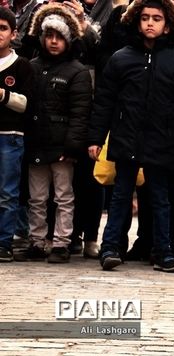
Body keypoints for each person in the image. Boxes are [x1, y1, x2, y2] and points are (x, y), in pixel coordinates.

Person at [87, 0, 174, 273]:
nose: (150, 23)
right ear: (136, 21)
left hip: (162, 139)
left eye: (156, 18)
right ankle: (110, 248)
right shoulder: (121, 58)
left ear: (167, 23)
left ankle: (163, 252)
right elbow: (104, 101)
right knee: (120, 195)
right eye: (145, 17)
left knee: (160, 198)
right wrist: (95, 138)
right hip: (126, 137)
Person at [24, 3, 92, 263]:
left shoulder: (77, 71)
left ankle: (62, 242)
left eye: (59, 37)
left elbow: (80, 113)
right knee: (37, 198)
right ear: (42, 37)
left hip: (62, 147)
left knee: (64, 196)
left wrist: (72, 147)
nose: (53, 41)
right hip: (36, 144)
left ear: (69, 39)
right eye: (49, 36)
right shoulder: (30, 66)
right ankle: (37, 241)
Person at [0, 7, 33, 262]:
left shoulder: (21, 65)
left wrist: (3, 95)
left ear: (13, 33)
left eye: (2, 28)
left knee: (8, 192)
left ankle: (4, 242)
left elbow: (26, 104)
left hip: (10, 136)